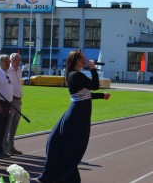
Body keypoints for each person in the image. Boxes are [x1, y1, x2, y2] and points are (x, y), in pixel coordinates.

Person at [37, 50, 111, 183]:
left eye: (84, 58)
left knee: (71, 148)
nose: (85, 60)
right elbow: (94, 86)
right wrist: (93, 69)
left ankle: (68, 177)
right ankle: (62, 177)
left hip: (80, 114)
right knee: (71, 147)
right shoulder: (75, 75)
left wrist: (102, 96)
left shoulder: (77, 75)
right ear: (75, 60)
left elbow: (85, 95)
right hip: (77, 116)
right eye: (82, 58)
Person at [3, 53, 23, 155]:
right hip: (11, 100)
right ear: (11, 61)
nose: (17, 62)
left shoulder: (19, 70)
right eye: (15, 60)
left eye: (19, 60)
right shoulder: (8, 71)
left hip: (19, 100)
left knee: (15, 124)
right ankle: (5, 147)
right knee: (8, 124)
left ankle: (11, 145)